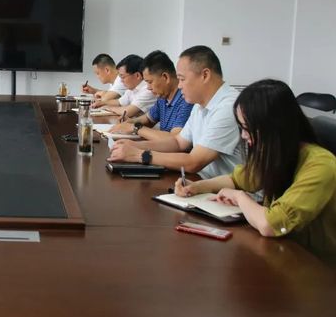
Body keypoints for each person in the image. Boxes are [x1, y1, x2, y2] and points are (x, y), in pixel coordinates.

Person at [175, 79, 336, 260]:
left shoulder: (320, 165)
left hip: (317, 264)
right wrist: (196, 187)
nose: (244, 136)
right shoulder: (277, 152)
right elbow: (238, 179)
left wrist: (240, 197)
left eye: (247, 128)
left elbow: (271, 225)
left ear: (274, 126)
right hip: (283, 250)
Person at [109, 45, 243, 179]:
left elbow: (194, 162)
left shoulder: (228, 107)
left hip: (223, 189)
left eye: (182, 79)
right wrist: (134, 145)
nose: (179, 85)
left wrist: (138, 154)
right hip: (201, 181)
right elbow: (178, 142)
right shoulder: (200, 104)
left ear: (205, 75)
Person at [110, 50, 193, 140]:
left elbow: (174, 139)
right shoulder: (163, 96)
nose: (148, 87)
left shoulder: (186, 99)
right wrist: (130, 122)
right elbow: (149, 119)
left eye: (150, 82)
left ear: (165, 77)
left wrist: (135, 128)